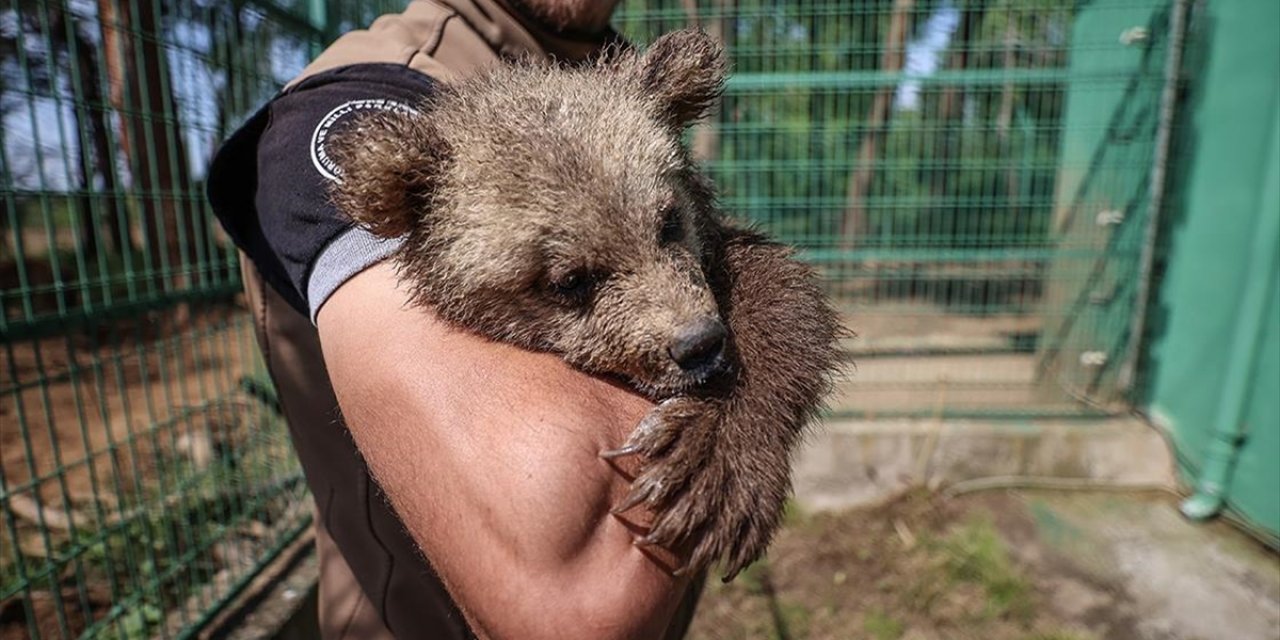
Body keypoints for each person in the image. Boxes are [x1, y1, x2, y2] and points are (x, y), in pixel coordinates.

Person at [206, 1, 702, 637]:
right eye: (572, 283)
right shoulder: (358, 111)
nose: (695, 317)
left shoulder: (617, 77)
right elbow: (578, 604)